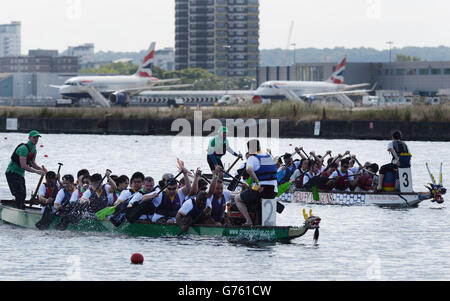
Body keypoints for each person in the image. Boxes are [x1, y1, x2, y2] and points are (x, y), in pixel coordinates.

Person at [234, 139, 278, 226]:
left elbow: (249, 169)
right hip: (274, 191)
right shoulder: (268, 156)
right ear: (259, 147)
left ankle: (249, 221)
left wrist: (257, 182)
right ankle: (266, 224)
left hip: (259, 189)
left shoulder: (252, 158)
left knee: (237, 199)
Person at [5, 130, 46, 209]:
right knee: (19, 194)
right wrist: (36, 171)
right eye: (34, 137)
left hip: (20, 174)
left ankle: (21, 208)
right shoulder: (24, 148)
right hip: (12, 172)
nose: (36, 139)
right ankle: (19, 210)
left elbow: (33, 164)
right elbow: (23, 165)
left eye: (37, 137)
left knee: (23, 194)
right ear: (29, 138)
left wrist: (42, 170)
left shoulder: (34, 150)